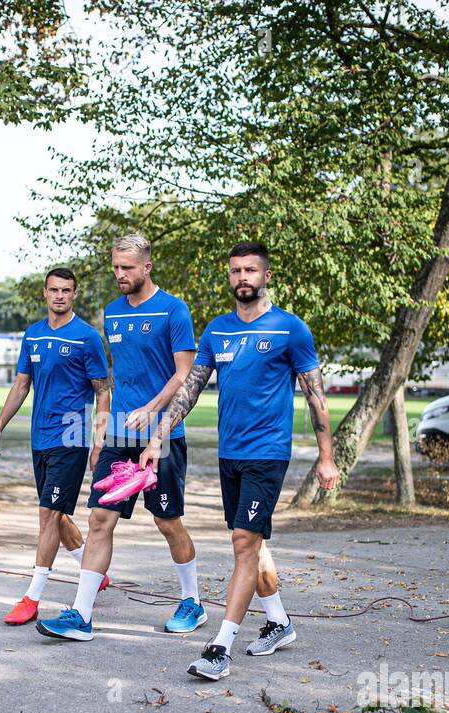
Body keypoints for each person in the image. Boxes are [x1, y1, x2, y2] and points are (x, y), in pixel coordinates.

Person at [140, 242, 339, 679]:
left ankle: (220, 647)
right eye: (235, 271)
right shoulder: (217, 331)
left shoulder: (291, 329)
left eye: (251, 270)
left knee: (243, 544)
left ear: (266, 276)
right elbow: (190, 388)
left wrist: (326, 458)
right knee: (253, 544)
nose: (242, 277)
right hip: (230, 454)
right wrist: (158, 437)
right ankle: (280, 622)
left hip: (267, 454)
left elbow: (315, 395)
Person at [36, 233, 207, 642]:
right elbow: (115, 378)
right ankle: (82, 615)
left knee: (167, 521)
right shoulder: (112, 313)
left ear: (146, 266)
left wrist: (152, 410)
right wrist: (101, 435)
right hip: (119, 436)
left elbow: (184, 376)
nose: (120, 274)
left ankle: (193, 601)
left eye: (127, 267)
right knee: (99, 519)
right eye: (115, 267)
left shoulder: (174, 311)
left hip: (163, 434)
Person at [0, 267, 110, 625]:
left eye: (66, 290)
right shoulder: (34, 335)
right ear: (45, 293)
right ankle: (95, 570)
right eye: (54, 290)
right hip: (39, 438)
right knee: (56, 514)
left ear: (74, 295)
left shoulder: (87, 337)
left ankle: (32, 597)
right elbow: (22, 384)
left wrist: (99, 439)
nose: (60, 295)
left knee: (48, 515)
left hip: (70, 437)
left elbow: (103, 390)